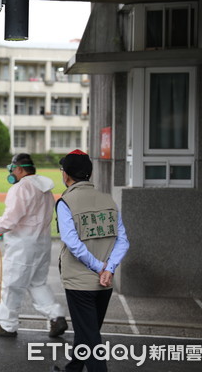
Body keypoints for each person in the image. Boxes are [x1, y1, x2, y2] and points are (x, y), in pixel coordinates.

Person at [52, 149, 130, 372]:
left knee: (90, 337)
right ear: (89, 173)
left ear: (66, 175)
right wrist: (109, 268)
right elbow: (122, 241)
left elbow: (72, 242)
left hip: (79, 283)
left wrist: (99, 267)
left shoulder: (66, 202)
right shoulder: (108, 200)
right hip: (104, 282)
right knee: (88, 331)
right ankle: (73, 369)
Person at [0, 153, 68, 338]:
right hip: (42, 244)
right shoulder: (45, 189)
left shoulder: (21, 188)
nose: (11, 173)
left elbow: (10, 220)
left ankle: (6, 325)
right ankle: (57, 316)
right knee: (37, 284)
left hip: (22, 245)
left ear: (19, 169)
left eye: (12, 169)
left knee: (11, 285)